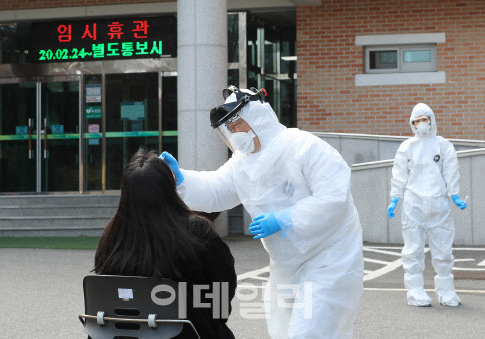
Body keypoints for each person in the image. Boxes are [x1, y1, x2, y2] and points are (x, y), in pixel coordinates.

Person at [160, 86, 364, 339]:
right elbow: (217, 190)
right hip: (287, 261)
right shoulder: (243, 162)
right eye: (229, 130)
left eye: (236, 126)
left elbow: (334, 197)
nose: (234, 135)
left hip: (329, 255)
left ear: (257, 118)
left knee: (311, 331)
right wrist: (182, 180)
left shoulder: (304, 146)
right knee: (283, 330)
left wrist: (285, 219)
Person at [93, 150, 237, 338]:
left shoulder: (112, 237)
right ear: (170, 187)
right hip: (189, 333)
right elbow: (223, 288)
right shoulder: (198, 232)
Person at [388, 103, 467, 307]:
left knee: (443, 250)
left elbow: (451, 170)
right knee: (413, 249)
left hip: (439, 204)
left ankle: (446, 291)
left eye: (425, 119)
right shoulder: (407, 147)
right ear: (412, 124)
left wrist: (455, 194)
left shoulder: (443, 145)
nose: (422, 123)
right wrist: (394, 197)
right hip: (414, 205)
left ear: (432, 120)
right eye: (417, 120)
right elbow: (399, 174)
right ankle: (415, 291)